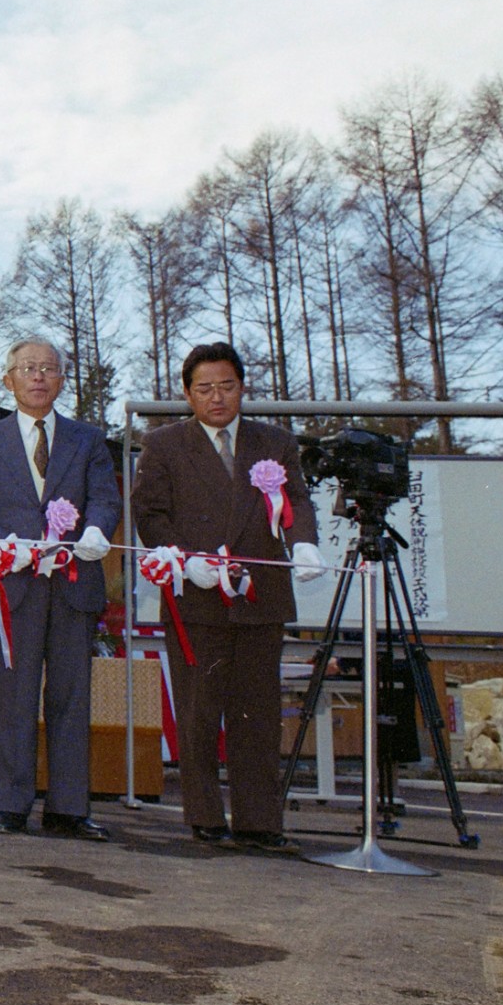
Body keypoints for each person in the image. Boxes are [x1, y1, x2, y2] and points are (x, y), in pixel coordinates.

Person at [132, 341, 323, 855]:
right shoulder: (164, 444)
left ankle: (259, 819)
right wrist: (183, 559)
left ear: (242, 387)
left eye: (227, 386)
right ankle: (204, 816)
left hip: (261, 597)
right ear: (188, 394)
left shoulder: (275, 442)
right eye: (204, 388)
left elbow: (296, 500)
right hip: (196, 597)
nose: (217, 397)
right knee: (198, 712)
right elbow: (149, 514)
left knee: (257, 714)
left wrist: (303, 543)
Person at [0, 337, 121, 841]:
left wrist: (96, 532)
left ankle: (69, 808)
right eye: (29, 368)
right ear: (9, 379)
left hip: (73, 586)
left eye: (49, 368)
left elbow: (105, 500)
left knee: (72, 698)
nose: (39, 376)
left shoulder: (87, 440)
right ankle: (10, 804)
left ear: (62, 380)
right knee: (14, 697)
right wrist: (0, 543)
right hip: (12, 587)